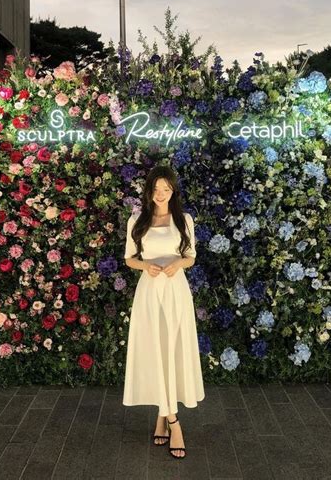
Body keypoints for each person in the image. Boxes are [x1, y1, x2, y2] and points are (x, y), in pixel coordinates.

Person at [122, 165, 205, 459]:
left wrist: (177, 264)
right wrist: (146, 266)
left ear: (173, 191)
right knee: (155, 351)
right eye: (156, 189)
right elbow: (130, 259)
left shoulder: (184, 220)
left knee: (172, 352)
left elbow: (191, 256)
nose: (160, 194)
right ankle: (173, 421)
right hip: (149, 292)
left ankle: (163, 415)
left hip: (175, 292)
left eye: (166, 189)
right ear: (149, 191)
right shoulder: (137, 220)